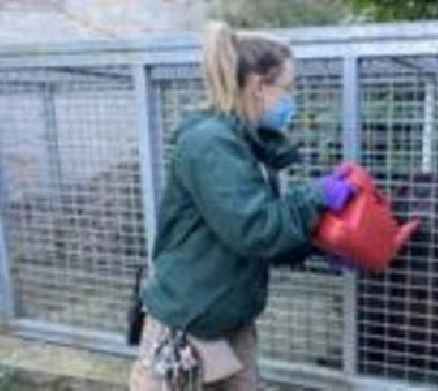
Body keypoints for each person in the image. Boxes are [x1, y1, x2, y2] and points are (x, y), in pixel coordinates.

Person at [129, 21, 356, 391]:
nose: (291, 99)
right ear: (257, 86)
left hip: (228, 321)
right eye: (287, 87)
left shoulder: (240, 142)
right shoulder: (210, 143)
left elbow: (246, 235)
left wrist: (317, 243)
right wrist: (315, 197)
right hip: (186, 325)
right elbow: (255, 228)